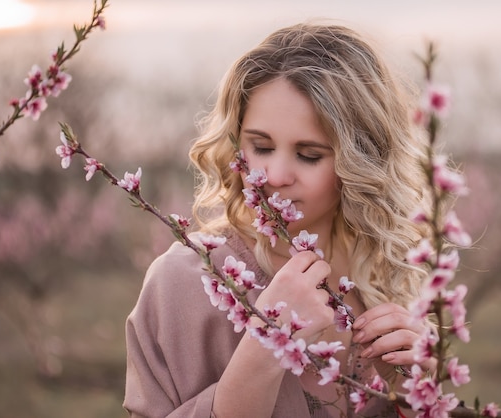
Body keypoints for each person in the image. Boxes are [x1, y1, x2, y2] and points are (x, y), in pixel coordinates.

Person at [124, 22, 433, 418]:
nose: (274, 175)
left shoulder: (386, 276)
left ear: (363, 162)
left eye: (308, 154)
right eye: (262, 146)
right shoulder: (185, 282)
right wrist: (264, 350)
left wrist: (415, 393)